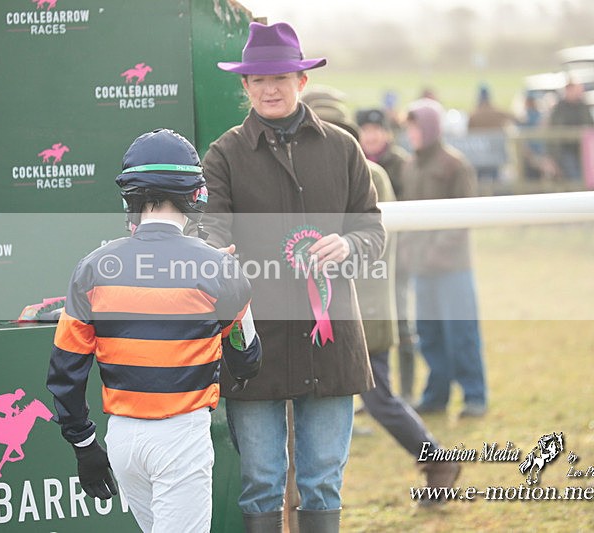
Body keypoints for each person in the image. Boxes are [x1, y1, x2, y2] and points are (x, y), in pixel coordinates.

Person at [204, 21, 385, 533]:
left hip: (332, 340)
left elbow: (372, 231)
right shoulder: (223, 155)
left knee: (323, 481)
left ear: (301, 80)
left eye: (280, 76)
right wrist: (218, 253)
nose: (269, 88)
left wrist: (348, 245)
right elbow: (208, 230)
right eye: (258, 79)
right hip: (252, 344)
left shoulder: (345, 148)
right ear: (244, 86)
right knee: (261, 480)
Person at [46, 129, 262, 533]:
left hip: (123, 441)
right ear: (195, 196)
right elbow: (247, 356)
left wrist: (83, 444)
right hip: (181, 436)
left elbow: (65, 371)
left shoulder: (91, 268)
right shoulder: (219, 266)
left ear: (130, 197)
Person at [306, 95, 462, 504]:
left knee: (380, 401)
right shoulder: (359, 170)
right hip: (333, 304)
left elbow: (370, 244)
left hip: (360, 305)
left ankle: (437, 458)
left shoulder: (363, 173)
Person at [401, 98, 487, 418]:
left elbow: (463, 216)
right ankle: (436, 395)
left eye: (415, 126)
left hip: (452, 268)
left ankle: (474, 395)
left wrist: (436, 251)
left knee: (461, 332)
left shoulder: (455, 164)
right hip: (422, 269)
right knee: (429, 334)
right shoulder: (410, 167)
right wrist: (410, 252)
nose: (411, 133)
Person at [354, 107, 416, 402]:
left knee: (402, 323)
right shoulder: (353, 165)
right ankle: (373, 393)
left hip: (398, 256)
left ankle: (404, 392)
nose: (372, 135)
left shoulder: (401, 164)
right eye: (366, 129)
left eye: (377, 129)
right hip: (366, 259)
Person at [548, 80, 594, 181]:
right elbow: (554, 131)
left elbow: (592, 125)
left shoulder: (582, 106)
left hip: (583, 148)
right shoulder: (560, 108)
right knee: (574, 176)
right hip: (565, 149)